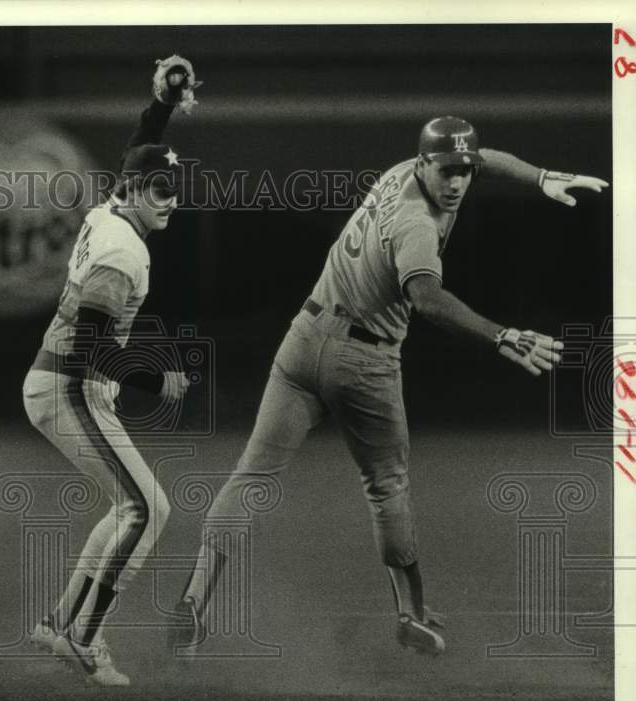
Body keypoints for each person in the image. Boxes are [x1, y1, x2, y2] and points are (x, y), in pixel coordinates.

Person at [171, 117, 608, 657]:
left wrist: (539, 177)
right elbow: (426, 299)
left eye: (463, 172)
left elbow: (484, 156)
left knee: (251, 475)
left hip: (302, 340)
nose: (458, 182)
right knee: (387, 485)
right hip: (363, 362)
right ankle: (411, 614)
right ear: (425, 165)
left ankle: (194, 600)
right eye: (447, 170)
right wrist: (501, 336)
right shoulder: (416, 223)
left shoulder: (405, 170)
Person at [23, 56, 202, 685]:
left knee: (131, 506)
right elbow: (90, 348)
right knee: (149, 511)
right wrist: (160, 379)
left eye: (174, 188)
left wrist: (162, 103)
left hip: (67, 385)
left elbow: (140, 152)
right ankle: (85, 637)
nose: (169, 199)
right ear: (131, 191)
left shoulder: (111, 213)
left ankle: (62, 624)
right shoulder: (123, 251)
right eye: (159, 189)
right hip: (69, 384)